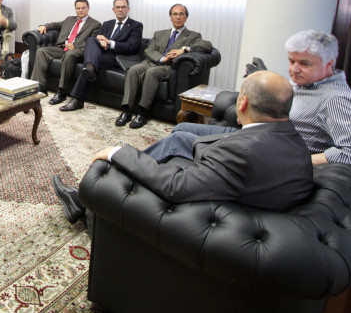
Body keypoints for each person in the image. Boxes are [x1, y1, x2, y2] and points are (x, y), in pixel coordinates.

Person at [52, 70, 315, 224]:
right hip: (248, 186)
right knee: (179, 137)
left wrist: (118, 152)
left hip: (223, 217)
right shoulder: (296, 140)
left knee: (132, 154)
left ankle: (87, 204)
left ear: (242, 104)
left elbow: (176, 186)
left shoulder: (240, 152)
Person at [174, 30, 351, 170]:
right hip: (255, 135)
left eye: (304, 64)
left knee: (179, 140)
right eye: (291, 61)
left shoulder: (336, 99)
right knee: (180, 130)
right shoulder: (305, 82)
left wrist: (301, 162)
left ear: (329, 64)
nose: (294, 69)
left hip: (267, 152)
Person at [118, 4, 213, 129]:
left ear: (186, 17)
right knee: (133, 70)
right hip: (153, 62)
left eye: (181, 14)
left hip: (169, 67)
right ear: (170, 17)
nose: (178, 17)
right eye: (175, 14)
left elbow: (207, 46)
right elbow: (149, 50)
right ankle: (127, 110)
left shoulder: (192, 35)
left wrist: (184, 49)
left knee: (152, 73)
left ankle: (142, 113)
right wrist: (162, 58)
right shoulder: (160, 33)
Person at [59, 0, 143, 112]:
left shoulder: (136, 25)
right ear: (113, 9)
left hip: (118, 58)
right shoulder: (108, 24)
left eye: (123, 7)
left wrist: (110, 42)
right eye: (117, 7)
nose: (120, 10)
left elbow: (132, 47)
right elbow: (96, 37)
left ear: (128, 9)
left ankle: (78, 99)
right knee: (91, 40)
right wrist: (100, 39)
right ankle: (90, 67)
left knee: (90, 62)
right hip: (103, 55)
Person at [30, 0, 102, 105]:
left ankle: (62, 91)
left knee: (69, 54)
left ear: (88, 8)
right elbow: (55, 24)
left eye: (83, 8)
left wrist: (75, 46)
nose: (80, 10)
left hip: (79, 51)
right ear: (75, 9)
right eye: (78, 8)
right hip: (62, 48)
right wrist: (44, 26)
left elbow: (92, 43)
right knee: (41, 51)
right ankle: (40, 86)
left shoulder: (95, 24)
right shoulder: (70, 19)